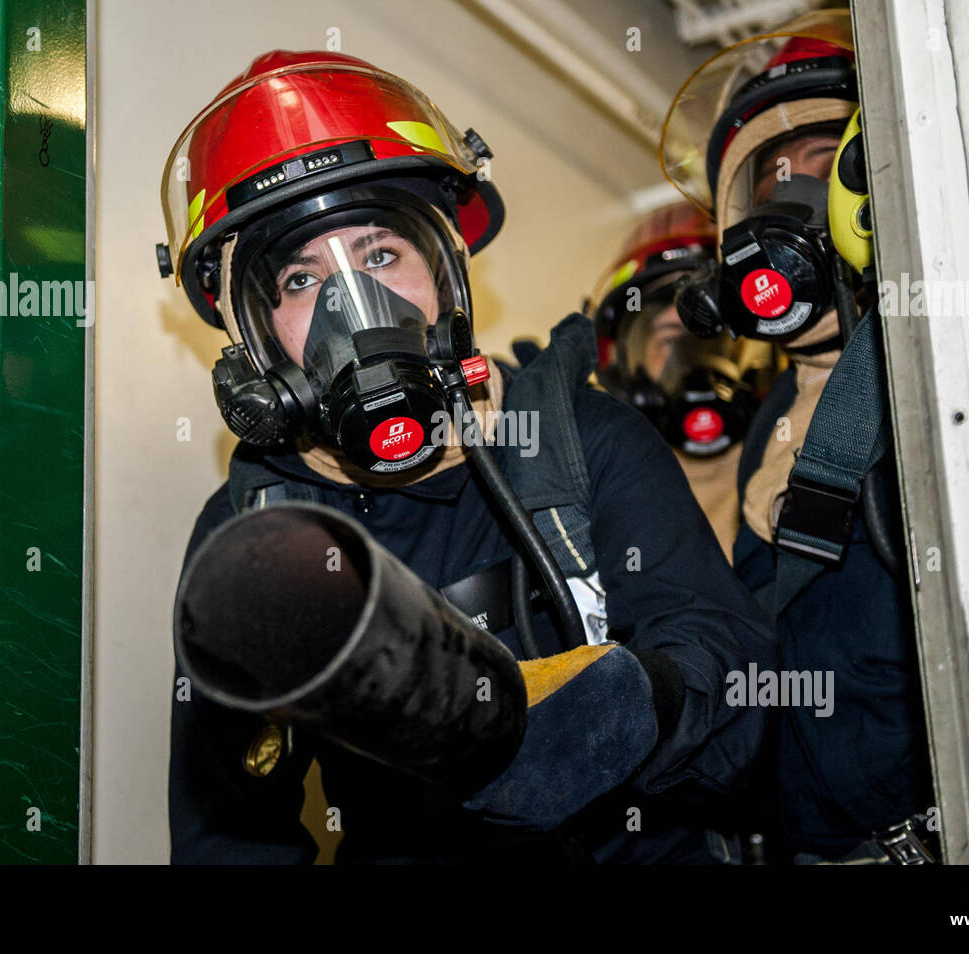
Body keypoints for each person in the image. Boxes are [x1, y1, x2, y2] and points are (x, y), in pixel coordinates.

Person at [158, 50, 777, 864]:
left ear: (448, 274)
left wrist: (637, 707)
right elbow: (232, 839)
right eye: (303, 281)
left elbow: (740, 695)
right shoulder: (260, 535)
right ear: (253, 339)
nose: (356, 306)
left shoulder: (580, 439)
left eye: (381, 256)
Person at [661, 9, 936, 863]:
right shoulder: (765, 427)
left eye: (824, 171)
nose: (792, 206)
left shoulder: (937, 381)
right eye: (770, 184)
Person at [590, 201, 778, 561]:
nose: (691, 362)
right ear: (629, 371)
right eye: (670, 338)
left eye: (712, 335)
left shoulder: (795, 472)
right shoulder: (605, 500)